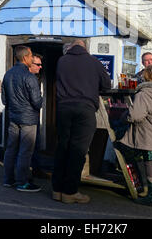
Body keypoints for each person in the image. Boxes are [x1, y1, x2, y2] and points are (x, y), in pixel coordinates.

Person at [52, 39, 111, 204]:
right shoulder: (94, 62)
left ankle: (57, 190)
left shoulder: (62, 61)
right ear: (85, 47)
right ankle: (70, 192)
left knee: (63, 147)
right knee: (78, 151)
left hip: (63, 108)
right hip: (84, 109)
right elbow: (106, 85)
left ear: (71, 47)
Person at [117, 65, 152, 207]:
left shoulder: (144, 94)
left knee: (149, 163)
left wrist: (124, 116)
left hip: (150, 135)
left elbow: (136, 115)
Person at [1, 45, 43, 192]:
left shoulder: (8, 74)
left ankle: (8, 180)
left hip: (13, 117)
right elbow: (37, 102)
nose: (32, 58)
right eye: (31, 55)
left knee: (11, 149)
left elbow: (4, 100)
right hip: (28, 120)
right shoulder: (29, 77)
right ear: (25, 57)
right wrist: (42, 99)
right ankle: (22, 182)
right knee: (25, 152)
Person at [29, 54, 49, 179]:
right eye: (38, 64)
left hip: (19, 116)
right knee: (31, 145)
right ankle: (28, 175)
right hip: (29, 117)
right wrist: (41, 101)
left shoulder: (12, 75)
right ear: (30, 65)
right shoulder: (31, 79)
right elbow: (36, 102)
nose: (41, 67)